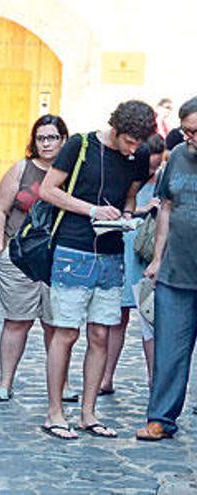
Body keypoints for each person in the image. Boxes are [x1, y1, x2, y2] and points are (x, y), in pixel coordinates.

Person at [39, 100, 155, 440]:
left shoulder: (139, 155)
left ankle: (89, 413)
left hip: (111, 251)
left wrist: (127, 215)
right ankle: (55, 412)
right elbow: (48, 191)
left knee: (101, 333)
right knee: (66, 332)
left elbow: (130, 198)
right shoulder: (81, 145)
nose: (133, 149)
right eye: (128, 142)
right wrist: (91, 210)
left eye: (138, 143)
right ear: (116, 129)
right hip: (73, 248)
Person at [0, 115, 78, 402]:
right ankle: (5, 382)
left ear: (64, 140)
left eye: (52, 137)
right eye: (41, 138)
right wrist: (0, 249)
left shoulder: (73, 172)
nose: (46, 143)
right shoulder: (22, 169)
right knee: (17, 321)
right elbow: (1, 210)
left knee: (57, 324)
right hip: (20, 256)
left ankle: (61, 386)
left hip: (59, 257)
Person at [137, 96, 197, 441]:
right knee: (169, 351)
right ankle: (160, 418)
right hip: (176, 272)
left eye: (193, 132)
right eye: (184, 131)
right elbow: (167, 210)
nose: (187, 138)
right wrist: (158, 259)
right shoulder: (177, 158)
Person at [101, 133, 165, 394]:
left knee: (150, 319)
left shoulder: (162, 180)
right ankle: (106, 377)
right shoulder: (126, 177)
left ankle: (155, 381)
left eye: (156, 165)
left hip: (148, 257)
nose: (152, 171)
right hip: (124, 250)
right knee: (117, 318)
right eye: (149, 166)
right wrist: (140, 209)